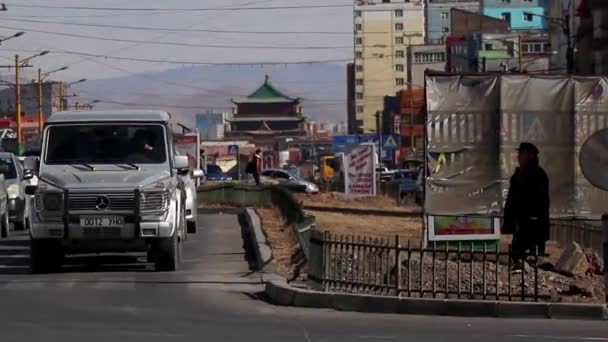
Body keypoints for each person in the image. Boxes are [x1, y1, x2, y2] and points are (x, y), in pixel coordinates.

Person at [503, 142, 550, 270]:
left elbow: (541, 201)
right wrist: (509, 220)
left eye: (521, 154)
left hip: (534, 223)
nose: (518, 157)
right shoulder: (518, 175)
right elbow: (512, 199)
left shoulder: (538, 175)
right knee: (517, 252)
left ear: (530, 156)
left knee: (533, 255)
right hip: (521, 222)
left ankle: (533, 277)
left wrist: (533, 217)